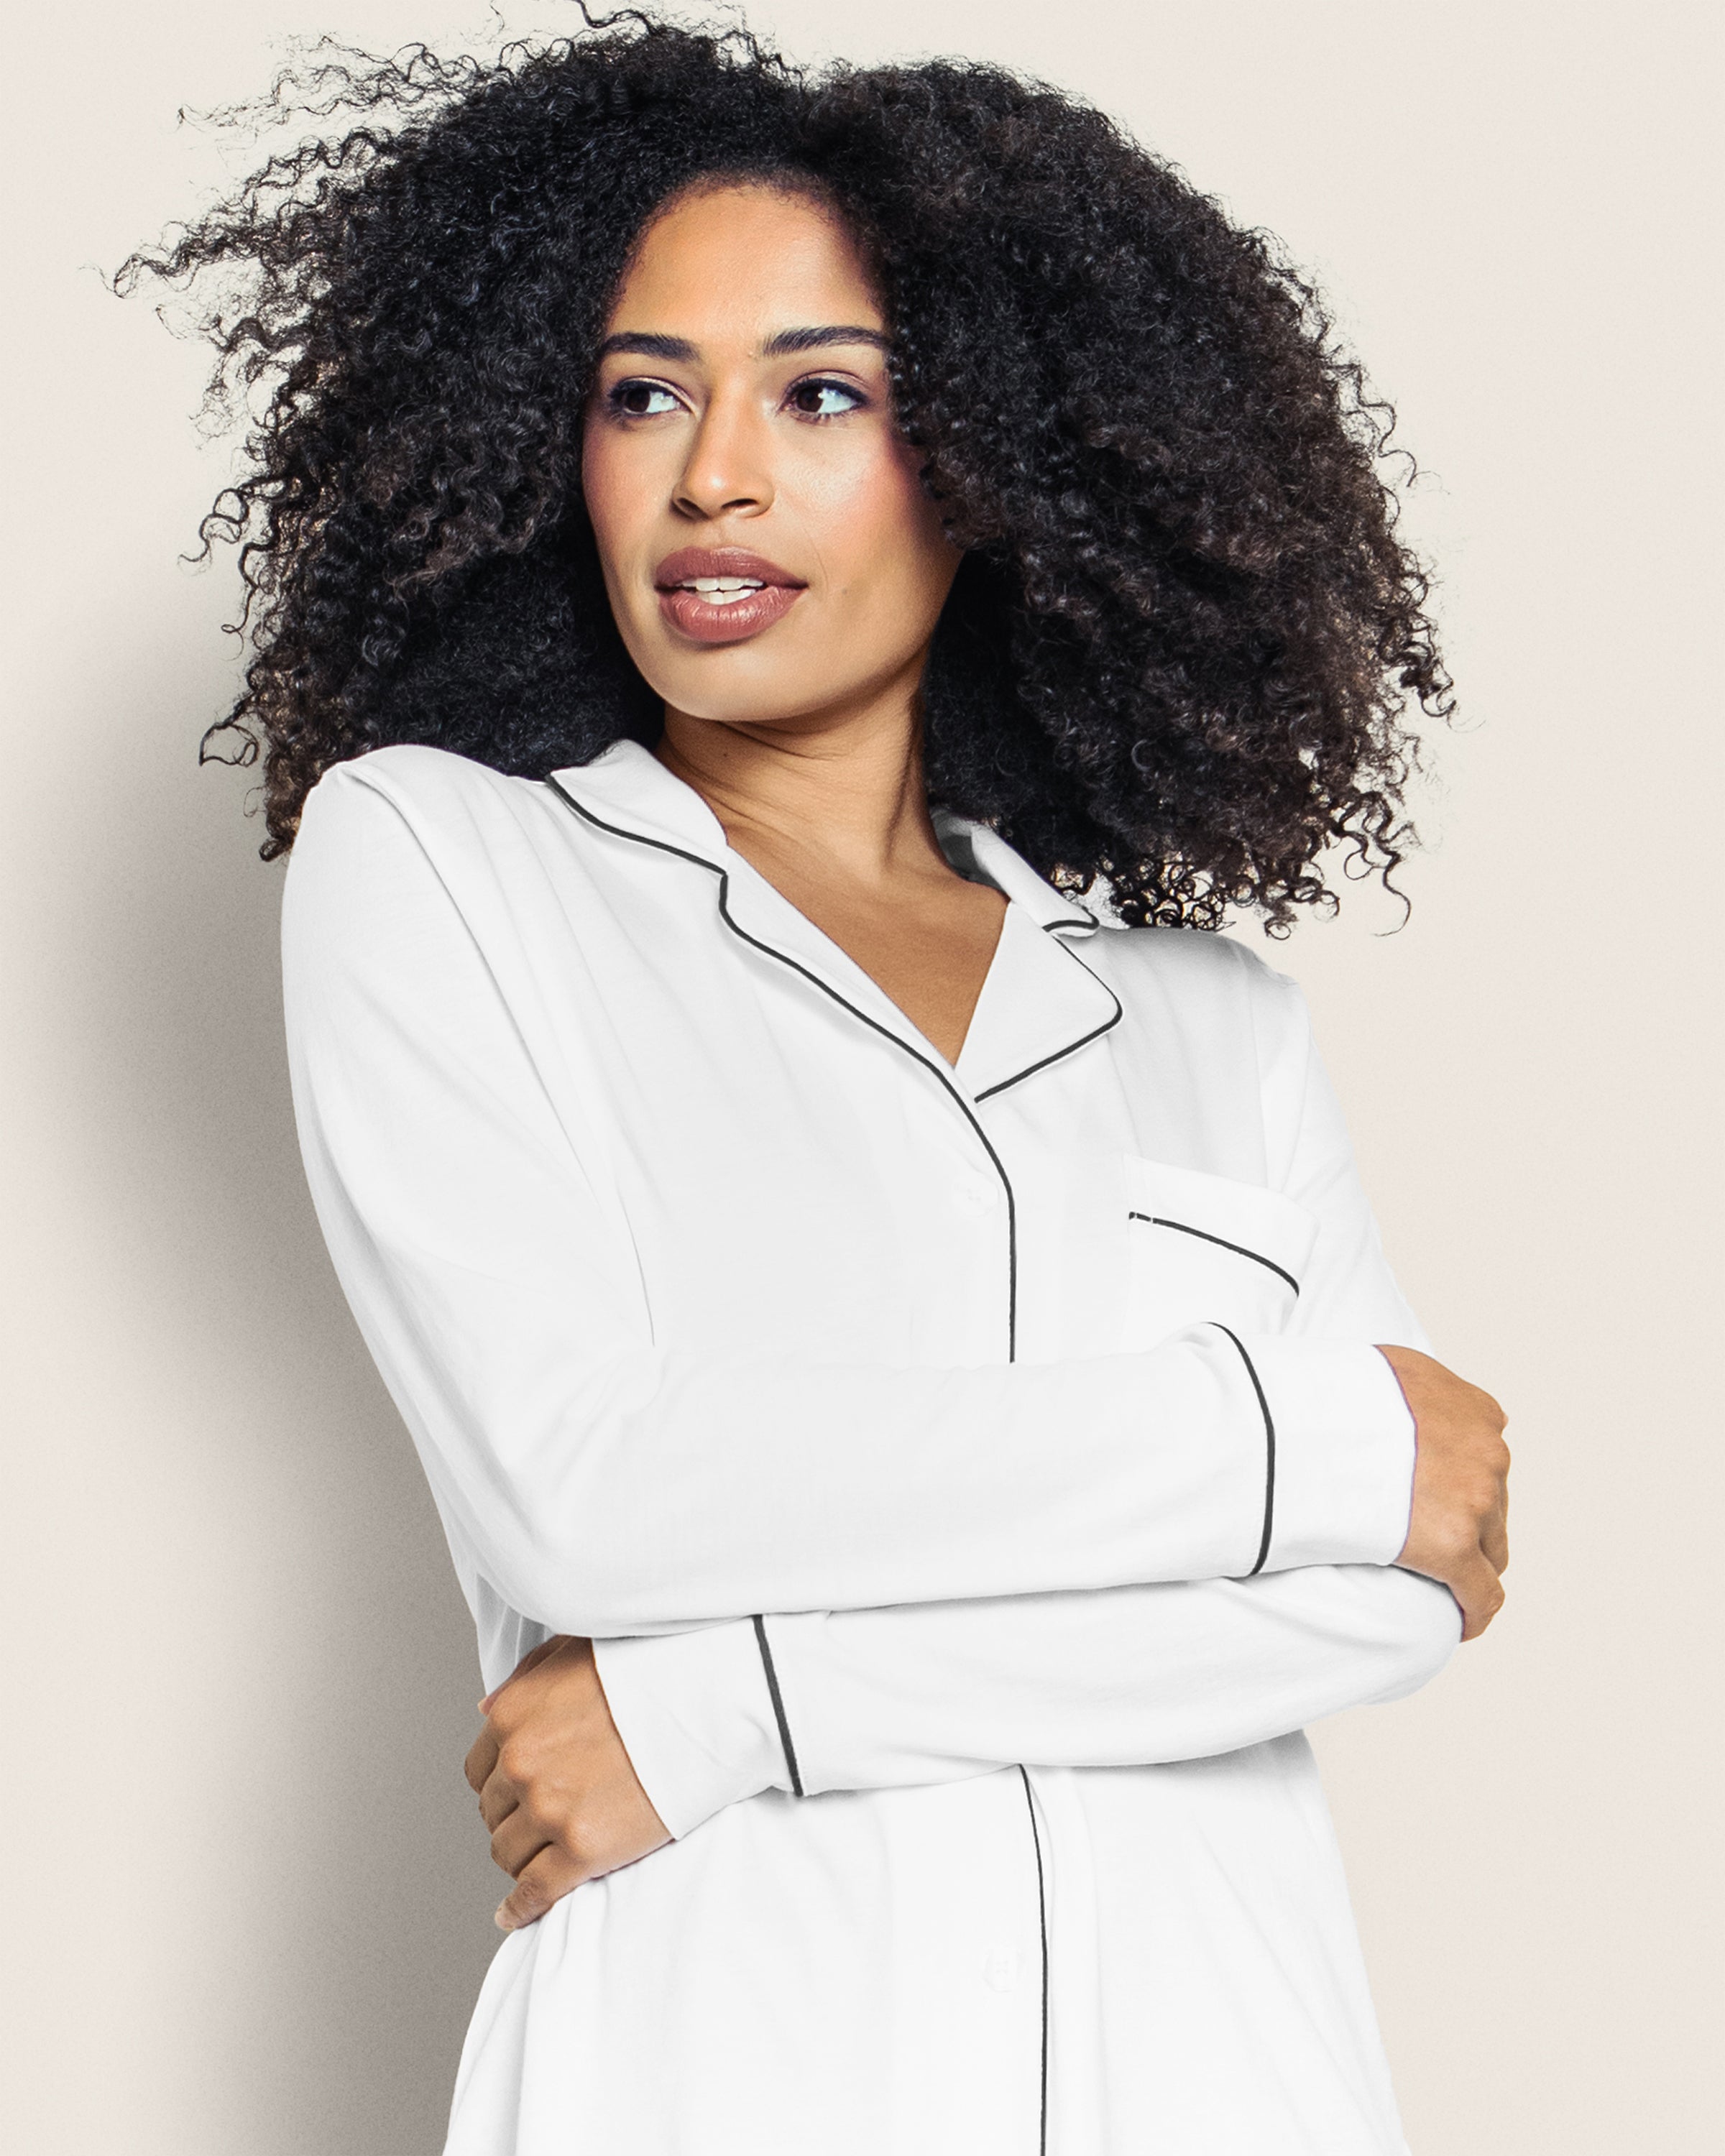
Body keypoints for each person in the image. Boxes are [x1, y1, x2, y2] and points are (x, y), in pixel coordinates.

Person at [126, 16, 1509, 2152]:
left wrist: (737, 1706)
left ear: (1008, 453)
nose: (714, 477)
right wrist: (1290, 1434)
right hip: (733, 2064)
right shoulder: (445, 865)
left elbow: (1403, 1587)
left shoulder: (1210, 1021)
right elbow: (591, 1482)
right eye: (643, 393)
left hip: (1229, 2069)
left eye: (825, 392)